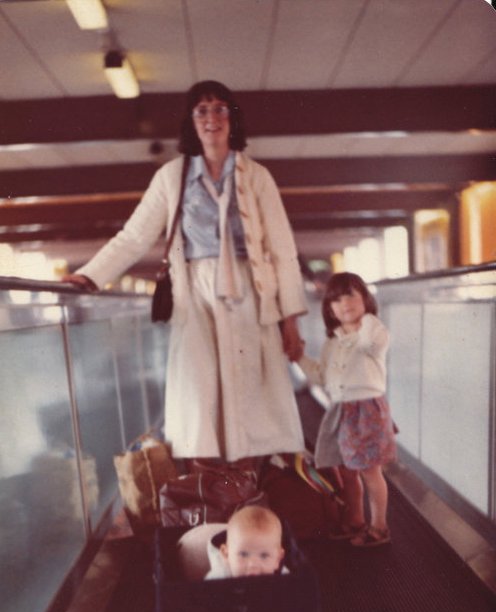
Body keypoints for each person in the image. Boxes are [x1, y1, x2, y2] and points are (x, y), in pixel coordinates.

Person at [62, 80, 306, 465]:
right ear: (191, 122)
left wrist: (290, 321)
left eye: (221, 109)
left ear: (233, 119)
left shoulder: (257, 176)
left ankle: (249, 487)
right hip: (195, 292)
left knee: (251, 400)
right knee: (198, 394)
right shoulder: (171, 177)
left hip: (249, 289)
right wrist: (90, 276)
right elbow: (136, 235)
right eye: (202, 111)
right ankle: (212, 492)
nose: (212, 119)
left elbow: (283, 251)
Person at [295, 272, 396, 547]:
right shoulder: (333, 342)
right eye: (336, 300)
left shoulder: (375, 330)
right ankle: (355, 520)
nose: (345, 303)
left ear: (365, 297)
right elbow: (320, 377)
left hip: (367, 412)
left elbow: (368, 344)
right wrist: (298, 357)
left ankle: (379, 526)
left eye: (351, 295)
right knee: (348, 472)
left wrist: (365, 319)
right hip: (341, 411)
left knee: (370, 471)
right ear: (329, 309)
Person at [205, 505, 287, 579]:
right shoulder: (218, 578)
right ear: (226, 554)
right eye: (243, 554)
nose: (253, 565)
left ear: (278, 559)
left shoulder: (284, 579)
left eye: (264, 556)